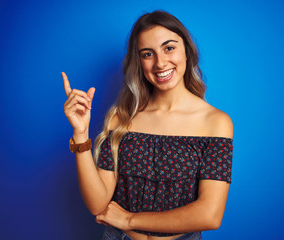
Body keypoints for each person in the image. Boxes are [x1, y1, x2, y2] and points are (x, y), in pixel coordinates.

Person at [62, 10, 233, 240]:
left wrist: (129, 219)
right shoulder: (120, 118)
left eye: (169, 48)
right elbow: (97, 205)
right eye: (147, 54)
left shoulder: (216, 123)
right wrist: (80, 133)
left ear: (187, 52)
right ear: (139, 61)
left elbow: (210, 215)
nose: (160, 62)